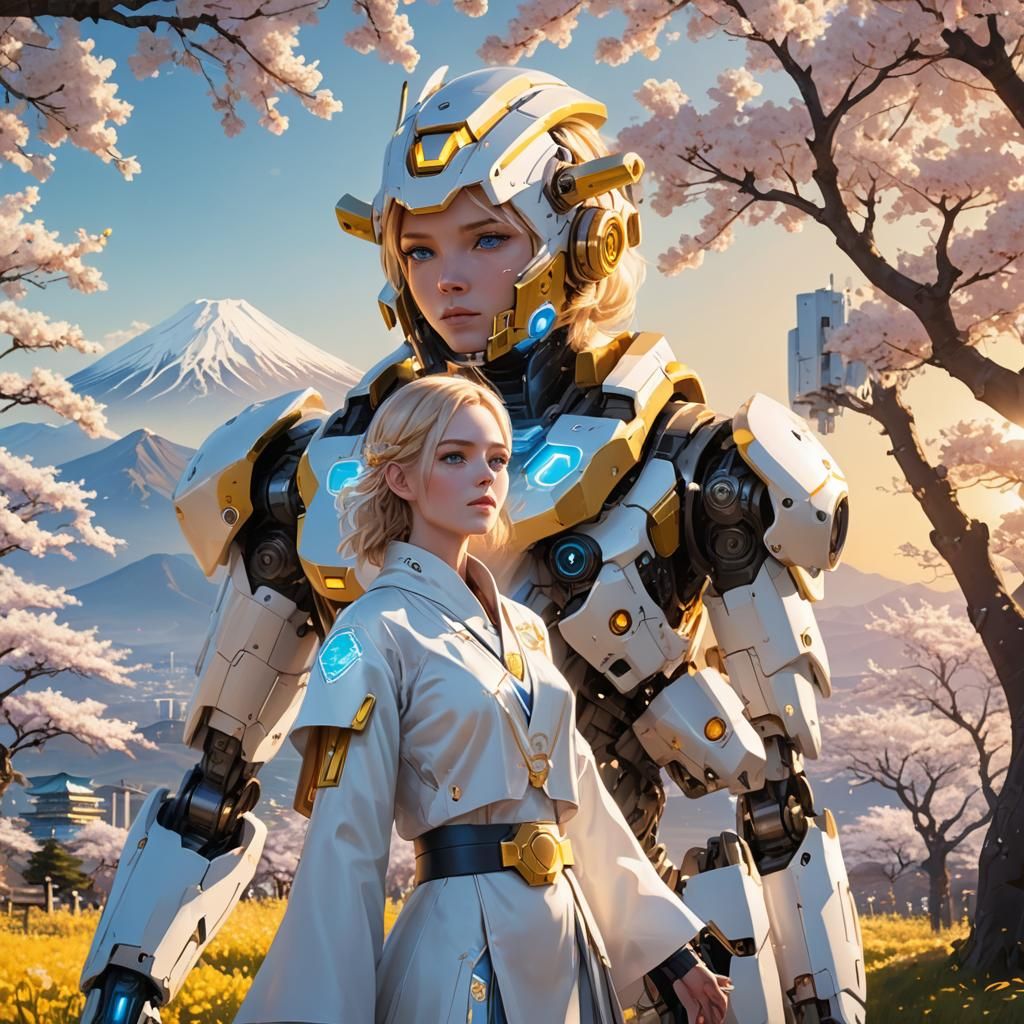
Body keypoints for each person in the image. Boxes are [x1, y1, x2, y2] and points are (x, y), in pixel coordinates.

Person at [234, 374, 731, 1024]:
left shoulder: (522, 629)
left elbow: (581, 804)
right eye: (454, 456)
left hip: (566, 944)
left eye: (497, 459)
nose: (485, 476)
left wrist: (670, 955)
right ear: (400, 478)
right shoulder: (371, 631)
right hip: (462, 953)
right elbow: (345, 843)